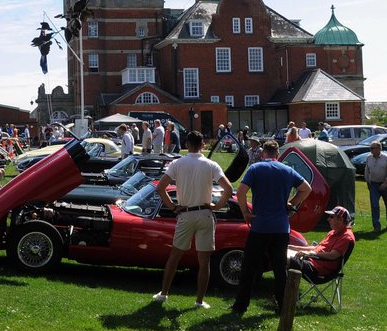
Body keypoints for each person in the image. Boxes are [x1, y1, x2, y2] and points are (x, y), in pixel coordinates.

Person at [151, 131, 233, 309]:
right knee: (204, 262)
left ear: (187, 144)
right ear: (203, 144)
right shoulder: (211, 164)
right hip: (205, 213)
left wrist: (173, 208)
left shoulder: (177, 163)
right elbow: (228, 188)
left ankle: (163, 294)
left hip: (185, 213)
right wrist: (217, 206)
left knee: (175, 257)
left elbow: (161, 188)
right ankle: (199, 301)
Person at [231, 139, 311, 315]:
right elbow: (306, 188)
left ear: (263, 153)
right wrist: (292, 203)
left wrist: (245, 211)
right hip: (281, 227)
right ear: (277, 154)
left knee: (249, 267)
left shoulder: (256, 168)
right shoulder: (287, 170)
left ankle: (240, 306)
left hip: (260, 226)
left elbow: (242, 191)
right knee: (279, 269)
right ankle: (282, 306)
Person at [288, 206, 356, 277]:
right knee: (283, 252)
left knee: (283, 259)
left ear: (340, 219)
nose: (328, 219)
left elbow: (333, 255)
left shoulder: (346, 237)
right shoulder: (332, 232)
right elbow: (316, 248)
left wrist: (309, 254)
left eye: (331, 217)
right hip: (311, 260)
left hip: (319, 269)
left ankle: (282, 285)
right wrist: (292, 247)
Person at [365, 141, 387, 231]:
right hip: (374, 184)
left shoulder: (386, 158)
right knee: (374, 204)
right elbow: (367, 171)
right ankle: (376, 226)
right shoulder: (369, 158)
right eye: (370, 148)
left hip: (386, 184)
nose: (371, 150)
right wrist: (368, 182)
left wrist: (385, 183)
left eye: (373, 148)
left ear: (379, 149)